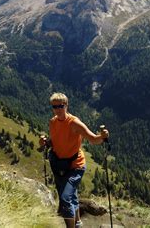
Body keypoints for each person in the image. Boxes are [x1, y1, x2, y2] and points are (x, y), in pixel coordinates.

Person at [39, 92, 109, 228]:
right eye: (54, 107)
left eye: (61, 106)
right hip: (58, 164)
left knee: (65, 199)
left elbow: (94, 139)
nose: (58, 109)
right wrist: (46, 142)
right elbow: (55, 141)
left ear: (66, 105)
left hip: (75, 165)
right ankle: (77, 223)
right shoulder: (53, 122)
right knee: (71, 196)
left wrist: (103, 136)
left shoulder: (74, 123)